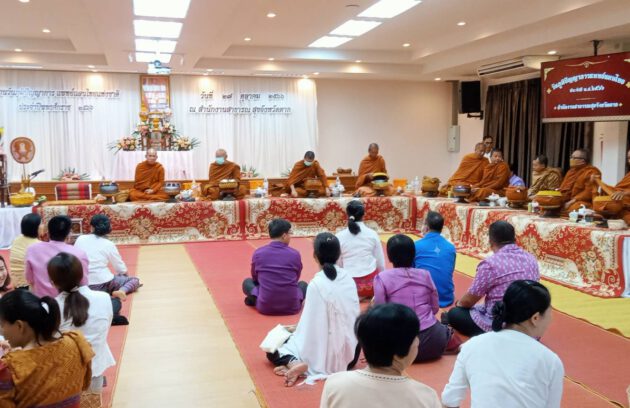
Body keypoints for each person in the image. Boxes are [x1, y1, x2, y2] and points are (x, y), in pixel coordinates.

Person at [442, 280, 564, 408]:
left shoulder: (471, 346)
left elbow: (449, 401)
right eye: (550, 312)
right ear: (535, 318)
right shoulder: (550, 361)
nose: (551, 318)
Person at [265, 233, 360, 386]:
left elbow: (309, 330)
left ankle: (294, 363)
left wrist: (295, 329)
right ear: (339, 254)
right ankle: (295, 364)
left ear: (315, 256)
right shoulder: (348, 278)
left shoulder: (316, 284)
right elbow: (352, 318)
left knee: (273, 345)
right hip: (350, 358)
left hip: (319, 360)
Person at [320, 304, 442, 408]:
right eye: (415, 336)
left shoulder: (334, 384)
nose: (418, 341)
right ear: (400, 349)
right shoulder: (426, 397)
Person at [444, 221, 539, 336]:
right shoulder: (531, 259)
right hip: (528, 326)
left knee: (454, 313)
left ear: (490, 241)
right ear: (514, 239)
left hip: (500, 325)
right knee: (481, 306)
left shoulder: (490, 264)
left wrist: (459, 304)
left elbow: (468, 301)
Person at [0, 290, 93, 407]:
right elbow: (85, 384)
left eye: (2, 325)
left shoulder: (10, 368)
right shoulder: (76, 343)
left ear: (19, 325)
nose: (2, 331)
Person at [374, 235, 460, 362]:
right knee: (442, 325)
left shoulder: (382, 278)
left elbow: (380, 314)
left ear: (390, 257)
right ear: (414, 255)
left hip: (400, 346)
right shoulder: (425, 274)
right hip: (434, 340)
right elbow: (435, 308)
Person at [49, 252, 115, 399]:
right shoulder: (104, 298)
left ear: (53, 282)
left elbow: (51, 343)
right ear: (82, 275)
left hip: (67, 376)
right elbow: (106, 326)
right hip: (96, 369)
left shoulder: (54, 307)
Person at [74, 214, 140, 325]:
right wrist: (123, 275)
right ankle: (122, 291)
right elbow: (120, 268)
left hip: (81, 284)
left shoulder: (80, 239)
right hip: (104, 282)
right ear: (109, 228)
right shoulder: (109, 244)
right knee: (134, 280)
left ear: (91, 227)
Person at [242, 218, 307, 315]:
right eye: (289, 234)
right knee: (303, 285)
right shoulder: (295, 254)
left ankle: (256, 298)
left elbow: (255, 277)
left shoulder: (259, 253)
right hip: (292, 307)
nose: (290, 237)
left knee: (247, 282)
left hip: (265, 307)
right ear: (284, 236)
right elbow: (296, 277)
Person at [25, 215, 89, 298]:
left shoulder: (32, 249)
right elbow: (83, 284)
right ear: (69, 234)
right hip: (69, 301)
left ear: (48, 233)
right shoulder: (79, 253)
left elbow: (29, 279)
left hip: (42, 300)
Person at [336, 200, 386, 298]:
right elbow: (380, 263)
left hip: (348, 286)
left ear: (347, 215)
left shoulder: (339, 236)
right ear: (363, 215)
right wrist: (383, 282)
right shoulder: (372, 234)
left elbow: (338, 264)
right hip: (371, 286)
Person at [414, 211, 456, 307]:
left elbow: (410, 271)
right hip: (447, 298)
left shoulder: (416, 245)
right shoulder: (451, 247)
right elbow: (451, 270)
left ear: (426, 227)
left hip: (423, 300)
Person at [591, 149, 630, 224]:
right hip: (623, 207)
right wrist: (597, 183)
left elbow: (624, 192)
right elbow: (617, 190)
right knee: (608, 203)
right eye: (629, 158)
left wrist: (625, 193)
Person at [559, 148, 600, 213]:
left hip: (581, 201)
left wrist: (571, 201)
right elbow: (563, 188)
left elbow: (588, 192)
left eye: (574, 158)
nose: (571, 159)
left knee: (575, 207)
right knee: (549, 202)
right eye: (571, 157)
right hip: (566, 200)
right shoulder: (571, 172)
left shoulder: (592, 172)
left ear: (582, 161)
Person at [9, 213, 41, 288]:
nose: (43, 226)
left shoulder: (16, 239)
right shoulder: (38, 245)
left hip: (16, 283)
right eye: (41, 224)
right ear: (36, 228)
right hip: (30, 286)